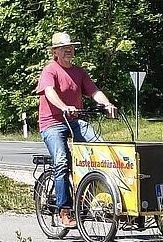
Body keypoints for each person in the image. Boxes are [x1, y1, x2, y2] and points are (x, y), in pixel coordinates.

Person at [35, 31, 117, 228]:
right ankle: (64, 210)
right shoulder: (50, 70)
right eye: (63, 48)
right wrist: (63, 107)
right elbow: (49, 92)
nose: (68, 51)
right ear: (55, 51)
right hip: (52, 123)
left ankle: (89, 195)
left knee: (101, 150)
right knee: (62, 161)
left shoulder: (79, 72)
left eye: (70, 47)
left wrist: (107, 104)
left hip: (74, 120)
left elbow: (94, 91)